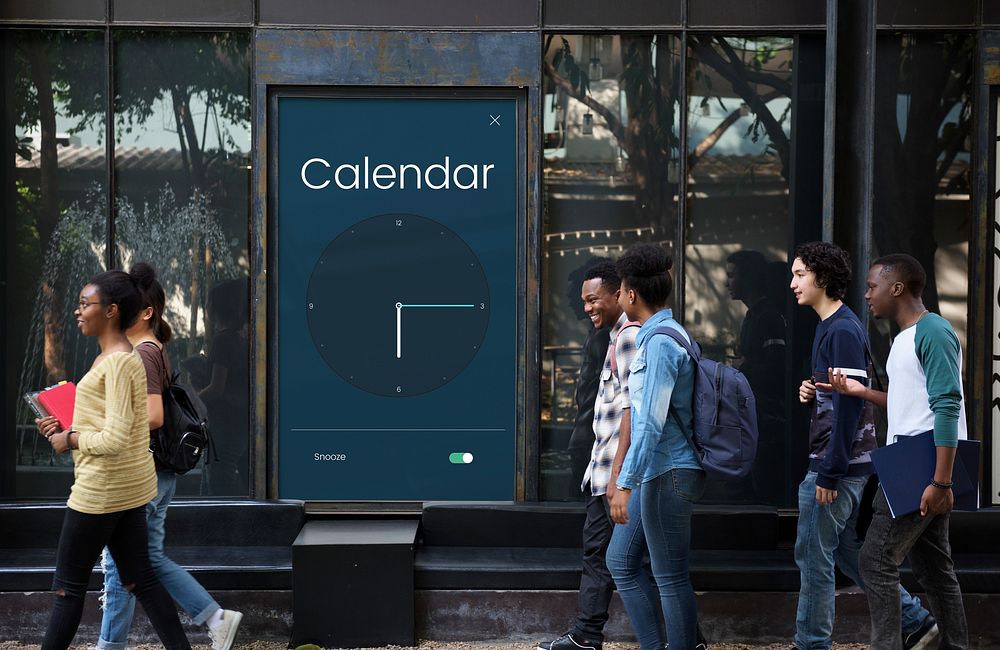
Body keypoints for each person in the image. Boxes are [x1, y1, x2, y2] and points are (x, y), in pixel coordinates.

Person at [34, 270, 190, 650]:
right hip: (126, 491)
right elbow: (117, 422)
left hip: (101, 493)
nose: (78, 311)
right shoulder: (115, 357)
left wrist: (69, 438)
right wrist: (65, 424)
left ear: (112, 310)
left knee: (66, 590)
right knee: (143, 581)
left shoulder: (120, 362)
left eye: (86, 304)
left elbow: (118, 437)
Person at [790, 243, 935, 650]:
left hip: (836, 467)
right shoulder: (832, 327)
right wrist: (812, 390)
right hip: (840, 464)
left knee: (812, 559)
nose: (793, 283)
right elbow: (839, 395)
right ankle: (917, 622)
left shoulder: (841, 330)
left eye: (800, 274)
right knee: (841, 551)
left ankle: (811, 644)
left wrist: (831, 471)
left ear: (822, 278)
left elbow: (852, 408)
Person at [821, 253, 968, 649]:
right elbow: (910, 402)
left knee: (874, 561)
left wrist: (942, 481)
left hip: (920, 462)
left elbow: (947, 407)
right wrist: (860, 391)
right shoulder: (906, 337)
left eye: (872, 287)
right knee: (935, 569)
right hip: (913, 459)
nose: (867, 295)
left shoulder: (932, 331)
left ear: (897, 288)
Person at [97, 263, 243, 650]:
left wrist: (102, 426)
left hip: (142, 475)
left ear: (144, 312)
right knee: (149, 560)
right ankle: (216, 617)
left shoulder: (143, 354)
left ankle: (108, 646)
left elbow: (155, 415)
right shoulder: (154, 348)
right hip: (159, 475)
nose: (114, 315)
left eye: (121, 308)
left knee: (118, 567)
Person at [606, 244, 705, 650]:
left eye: (621, 290)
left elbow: (649, 424)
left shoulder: (660, 343)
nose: (619, 298)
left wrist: (624, 483)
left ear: (631, 295)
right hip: (661, 470)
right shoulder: (667, 333)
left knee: (671, 576)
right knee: (621, 561)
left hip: (668, 472)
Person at [538, 261, 638, 650]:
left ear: (619, 294)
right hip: (604, 473)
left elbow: (633, 413)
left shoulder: (627, 338)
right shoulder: (610, 338)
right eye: (584, 301)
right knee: (609, 555)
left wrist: (618, 480)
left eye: (594, 299)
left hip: (617, 476)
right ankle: (587, 633)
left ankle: (588, 634)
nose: (587, 308)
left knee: (628, 560)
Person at [726, 249, 787, 503]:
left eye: (732, 276)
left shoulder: (767, 317)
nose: (726, 283)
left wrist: (744, 366)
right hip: (753, 418)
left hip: (767, 420)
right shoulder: (754, 315)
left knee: (761, 492)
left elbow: (777, 367)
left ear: (748, 278)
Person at [566, 259, 614, 491]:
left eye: (590, 299)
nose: (580, 305)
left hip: (592, 435)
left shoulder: (605, 335)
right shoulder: (597, 331)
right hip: (588, 432)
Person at [200, 278, 250, 495]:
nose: (206, 307)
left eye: (209, 302)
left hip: (225, 424)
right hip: (240, 421)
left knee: (220, 479)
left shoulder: (223, 340)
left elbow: (216, 388)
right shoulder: (240, 337)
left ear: (217, 306)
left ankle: (224, 525)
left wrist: (190, 399)